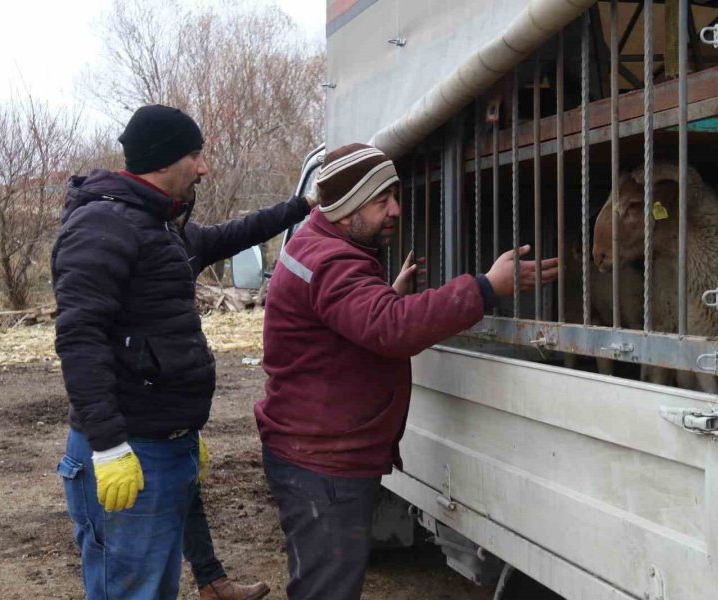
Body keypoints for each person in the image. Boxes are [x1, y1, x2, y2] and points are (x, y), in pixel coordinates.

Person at [254, 143, 559, 600]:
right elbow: (391, 328)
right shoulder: (332, 261)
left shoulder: (317, 243)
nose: (396, 209)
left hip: (313, 451)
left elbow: (354, 319)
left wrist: (383, 294)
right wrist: (485, 287)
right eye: (381, 201)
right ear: (346, 207)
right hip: (323, 463)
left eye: (394, 196)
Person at [53, 104, 308, 600]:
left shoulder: (158, 225)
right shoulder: (104, 225)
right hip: (130, 448)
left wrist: (304, 205)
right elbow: (79, 339)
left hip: (164, 444)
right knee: (132, 590)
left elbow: (233, 235)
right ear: (163, 160)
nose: (204, 167)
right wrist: (107, 445)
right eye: (195, 154)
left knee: (155, 588)